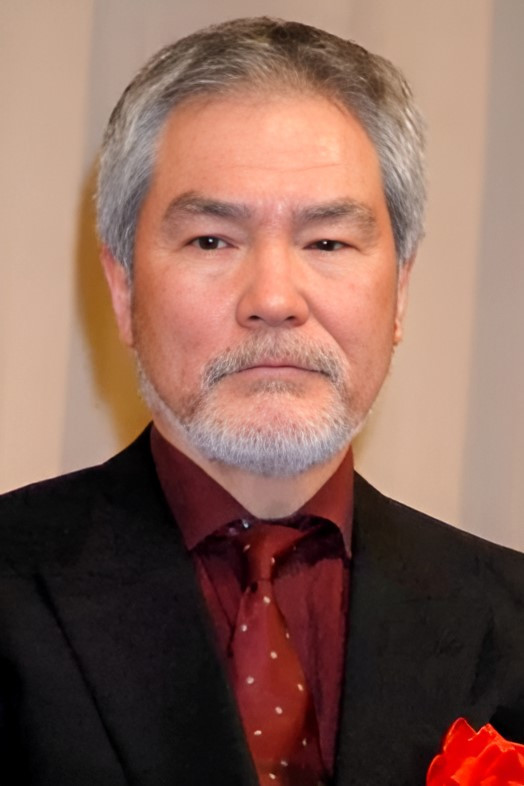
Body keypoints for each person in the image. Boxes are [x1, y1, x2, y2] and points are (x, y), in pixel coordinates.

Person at [0, 17, 522, 786]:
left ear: (401, 291)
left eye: (328, 243)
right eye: (212, 240)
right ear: (123, 288)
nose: (274, 299)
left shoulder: (509, 623)